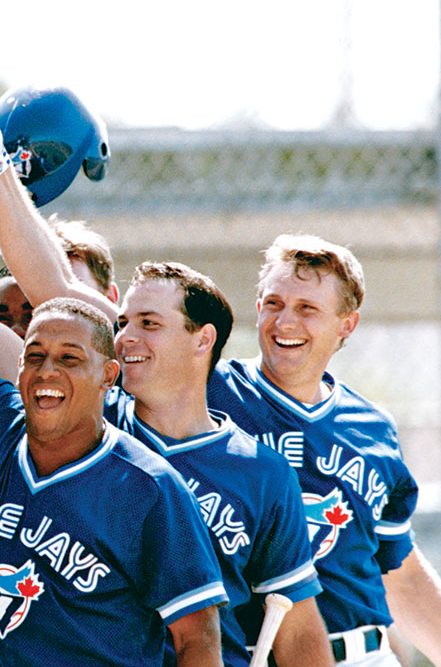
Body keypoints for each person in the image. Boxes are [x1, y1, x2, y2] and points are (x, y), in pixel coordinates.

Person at [0, 122, 227, 666]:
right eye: (33, 354)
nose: (44, 370)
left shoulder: (154, 481)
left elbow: (198, 639)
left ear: (109, 373)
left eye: (69, 358)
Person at [205, 234, 441, 667]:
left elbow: (401, 573)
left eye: (307, 309)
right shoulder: (209, 394)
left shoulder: (371, 427)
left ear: (346, 324)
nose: (285, 322)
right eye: (274, 303)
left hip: (360, 655)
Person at [113, 261, 332, 666]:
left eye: (148, 323)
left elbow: (297, 625)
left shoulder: (263, 472)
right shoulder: (89, 428)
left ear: (202, 340)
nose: (126, 337)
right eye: (123, 322)